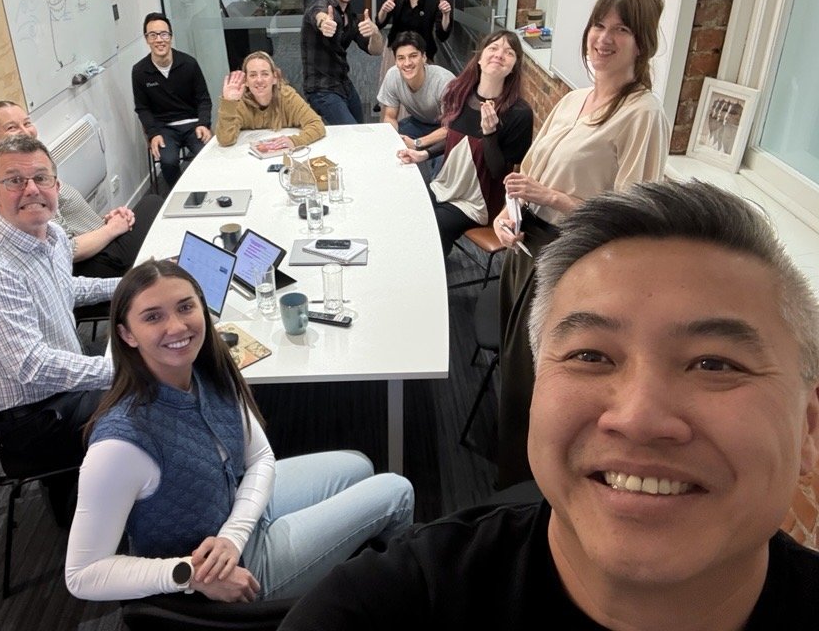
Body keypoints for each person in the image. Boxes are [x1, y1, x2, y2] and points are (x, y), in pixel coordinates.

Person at [279, 180, 819, 629]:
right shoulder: (388, 604)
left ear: (809, 430)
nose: (638, 418)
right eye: (591, 355)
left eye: (714, 365)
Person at [64, 259, 415, 603]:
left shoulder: (206, 372)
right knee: (397, 490)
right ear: (127, 334)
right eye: (153, 317)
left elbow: (259, 457)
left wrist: (233, 533)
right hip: (227, 570)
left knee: (359, 464)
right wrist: (189, 574)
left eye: (185, 307)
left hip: (235, 515)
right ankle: (396, 601)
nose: (177, 326)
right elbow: (82, 575)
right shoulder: (121, 443)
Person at [491, 0, 672, 488]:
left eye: (622, 29)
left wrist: (550, 197)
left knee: (544, 386)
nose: (604, 38)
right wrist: (507, 213)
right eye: (599, 25)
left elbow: (635, 219)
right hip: (525, 248)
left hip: (573, 263)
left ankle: (538, 492)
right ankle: (513, 479)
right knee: (516, 373)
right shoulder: (573, 99)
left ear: (642, 43)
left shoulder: (643, 114)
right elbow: (527, 172)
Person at [0, 135, 119, 521]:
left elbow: (69, 289)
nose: (31, 189)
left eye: (41, 178)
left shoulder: (52, 234)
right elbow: (32, 366)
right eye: (15, 180)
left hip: (61, 382)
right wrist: (121, 371)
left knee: (144, 359)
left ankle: (89, 490)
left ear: (56, 186)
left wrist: (134, 283)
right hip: (34, 418)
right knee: (152, 399)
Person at [0, 100, 163, 278]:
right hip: (91, 260)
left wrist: (107, 220)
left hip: (100, 240)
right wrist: (112, 229)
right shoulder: (21, 194)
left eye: (27, 123)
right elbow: (63, 249)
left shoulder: (42, 169)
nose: (25, 131)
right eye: (12, 128)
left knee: (150, 209)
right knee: (152, 204)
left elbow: (69, 224)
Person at [397, 31, 533, 257]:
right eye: (493, 48)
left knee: (432, 225)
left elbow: (499, 172)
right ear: (480, 58)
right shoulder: (460, 93)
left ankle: (432, 270)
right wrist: (424, 154)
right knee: (408, 207)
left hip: (479, 201)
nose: (499, 54)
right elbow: (456, 138)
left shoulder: (519, 113)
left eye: (509, 52)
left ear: (513, 67)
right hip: (447, 184)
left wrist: (489, 133)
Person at [301, 0, 384, 126]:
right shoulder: (321, 5)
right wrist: (324, 23)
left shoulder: (351, 16)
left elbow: (375, 50)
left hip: (342, 83)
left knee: (360, 128)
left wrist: (375, 32)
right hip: (320, 88)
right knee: (350, 133)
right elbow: (318, 14)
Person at [132, 12, 213, 188]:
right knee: (168, 161)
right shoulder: (139, 71)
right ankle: (178, 193)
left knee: (206, 155)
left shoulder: (189, 64)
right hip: (164, 128)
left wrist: (203, 123)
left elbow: (204, 99)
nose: (159, 40)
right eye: (153, 35)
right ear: (146, 39)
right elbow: (142, 108)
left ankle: (206, 190)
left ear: (171, 36)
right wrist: (153, 134)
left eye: (164, 34)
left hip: (193, 124)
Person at [215, 51, 326, 150]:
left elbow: (317, 125)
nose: (259, 80)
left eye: (265, 74)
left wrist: (295, 141)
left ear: (275, 78)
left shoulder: (287, 96)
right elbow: (225, 140)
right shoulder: (238, 101)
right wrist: (228, 103)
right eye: (253, 75)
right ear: (246, 81)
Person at [376, 32, 456, 151]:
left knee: (438, 160)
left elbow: (451, 127)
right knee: (386, 147)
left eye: (413, 56)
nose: (407, 63)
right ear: (396, 61)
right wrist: (394, 138)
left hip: (446, 128)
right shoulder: (393, 75)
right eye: (401, 58)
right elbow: (390, 116)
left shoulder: (444, 81)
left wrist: (417, 143)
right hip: (418, 122)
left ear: (424, 57)